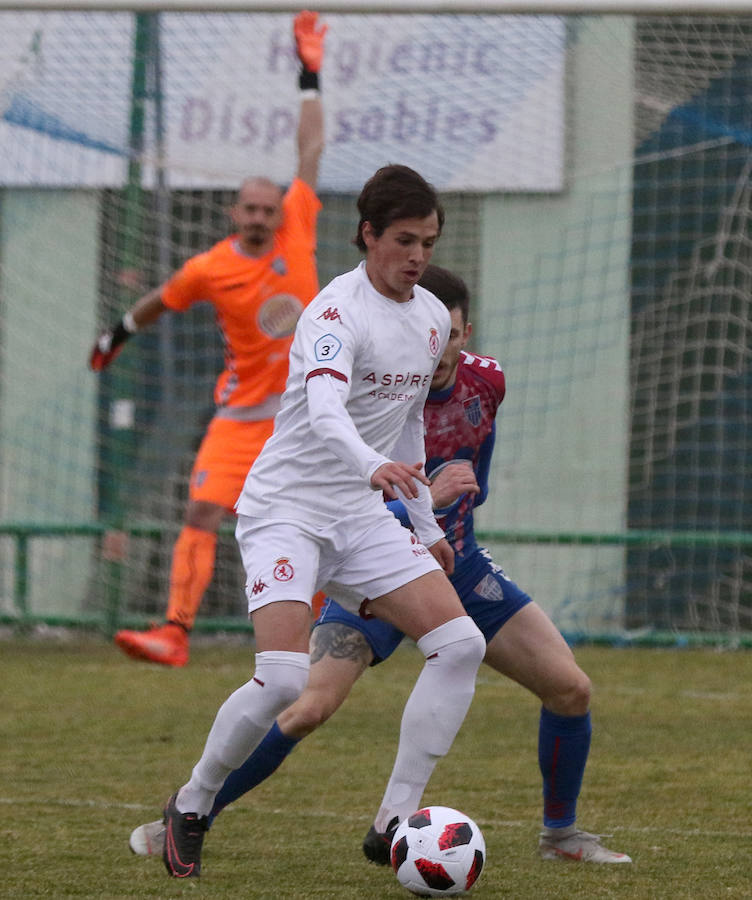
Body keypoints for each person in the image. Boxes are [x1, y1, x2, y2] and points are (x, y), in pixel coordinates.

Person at [129, 265, 632, 866]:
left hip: (452, 563)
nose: (437, 347)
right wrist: (418, 503)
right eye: (430, 333)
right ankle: (190, 812)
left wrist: (440, 520)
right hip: (365, 549)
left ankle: (556, 836)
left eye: (449, 334)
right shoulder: (370, 372)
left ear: (463, 332)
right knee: (304, 703)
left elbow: (474, 475)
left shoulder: (486, 383)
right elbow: (343, 459)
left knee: (569, 686)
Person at [155, 165, 487, 879]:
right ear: (368, 234)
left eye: (427, 241)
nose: (417, 256)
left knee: (459, 644)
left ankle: (395, 820)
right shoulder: (334, 312)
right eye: (404, 240)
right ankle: (192, 800)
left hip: (362, 517)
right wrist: (371, 468)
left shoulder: (431, 316)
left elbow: (406, 434)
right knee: (280, 679)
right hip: (287, 512)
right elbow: (330, 412)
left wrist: (424, 523)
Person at [89, 10, 328, 668]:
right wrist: (114, 335)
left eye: (266, 207)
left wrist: (310, 75)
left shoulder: (297, 224)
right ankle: (173, 632)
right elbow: (158, 303)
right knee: (200, 511)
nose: (259, 216)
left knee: (330, 525)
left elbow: (309, 150)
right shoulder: (209, 267)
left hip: (311, 412)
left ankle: (342, 633)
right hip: (244, 412)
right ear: (232, 213)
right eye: (248, 208)